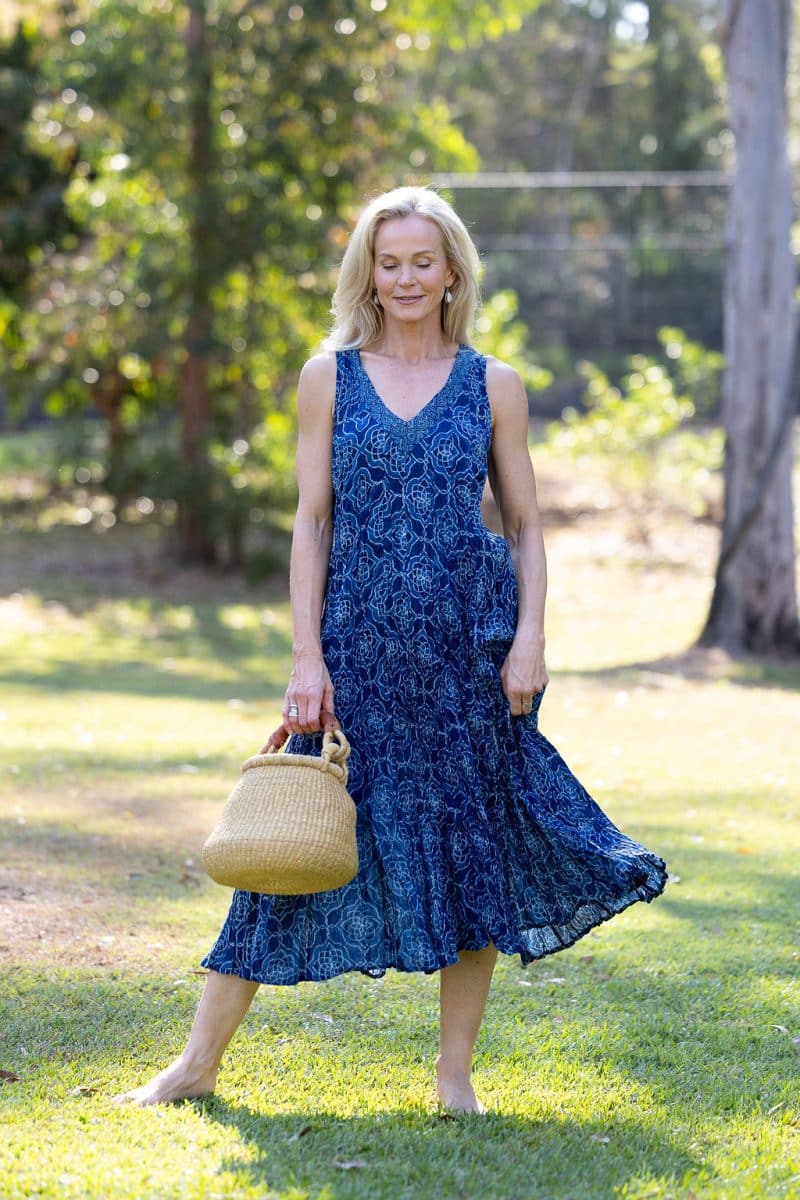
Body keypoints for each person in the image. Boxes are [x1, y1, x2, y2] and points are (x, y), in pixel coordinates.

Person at [117, 185, 667, 1114]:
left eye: (422, 261)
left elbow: (527, 525)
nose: (406, 278)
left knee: (473, 849)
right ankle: (197, 1064)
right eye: (389, 262)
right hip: (355, 653)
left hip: (469, 654)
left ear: (452, 272)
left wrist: (531, 638)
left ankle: (454, 1078)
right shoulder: (328, 376)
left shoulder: (494, 384)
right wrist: (306, 656)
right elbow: (311, 522)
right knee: (287, 845)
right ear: (368, 273)